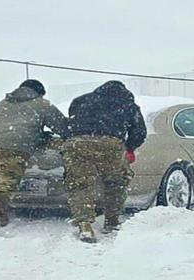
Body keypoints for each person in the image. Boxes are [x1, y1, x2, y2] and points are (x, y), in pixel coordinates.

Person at [0, 80, 68, 238]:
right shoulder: (42, 104)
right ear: (39, 92)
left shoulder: (4, 103)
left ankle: (1, 217)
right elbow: (62, 127)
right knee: (5, 186)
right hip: (16, 147)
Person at [62, 81, 146, 242]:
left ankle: (84, 225)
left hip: (77, 143)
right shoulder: (128, 105)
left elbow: (69, 122)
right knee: (116, 182)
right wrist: (129, 147)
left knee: (80, 184)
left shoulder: (81, 100)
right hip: (111, 143)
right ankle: (112, 221)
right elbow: (140, 132)